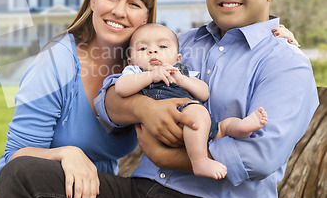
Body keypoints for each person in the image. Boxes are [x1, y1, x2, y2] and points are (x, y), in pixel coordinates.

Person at [0, 0, 318, 198]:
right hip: (137, 196)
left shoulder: (285, 63)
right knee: (23, 176)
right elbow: (107, 100)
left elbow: (259, 157)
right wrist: (143, 109)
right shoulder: (181, 43)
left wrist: (165, 155)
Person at [0, 0, 184, 198]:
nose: (120, 11)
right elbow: (17, 156)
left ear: (146, 15)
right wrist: (66, 153)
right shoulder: (57, 62)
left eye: (134, 4)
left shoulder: (140, 68)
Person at [115, 23, 268, 180]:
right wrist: (150, 76)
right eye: (142, 49)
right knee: (197, 112)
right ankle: (200, 160)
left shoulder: (181, 72)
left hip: (197, 125)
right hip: (173, 121)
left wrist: (183, 80)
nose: (153, 51)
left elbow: (204, 93)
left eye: (162, 46)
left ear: (177, 59)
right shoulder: (136, 72)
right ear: (130, 61)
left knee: (224, 126)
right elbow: (121, 88)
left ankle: (242, 127)